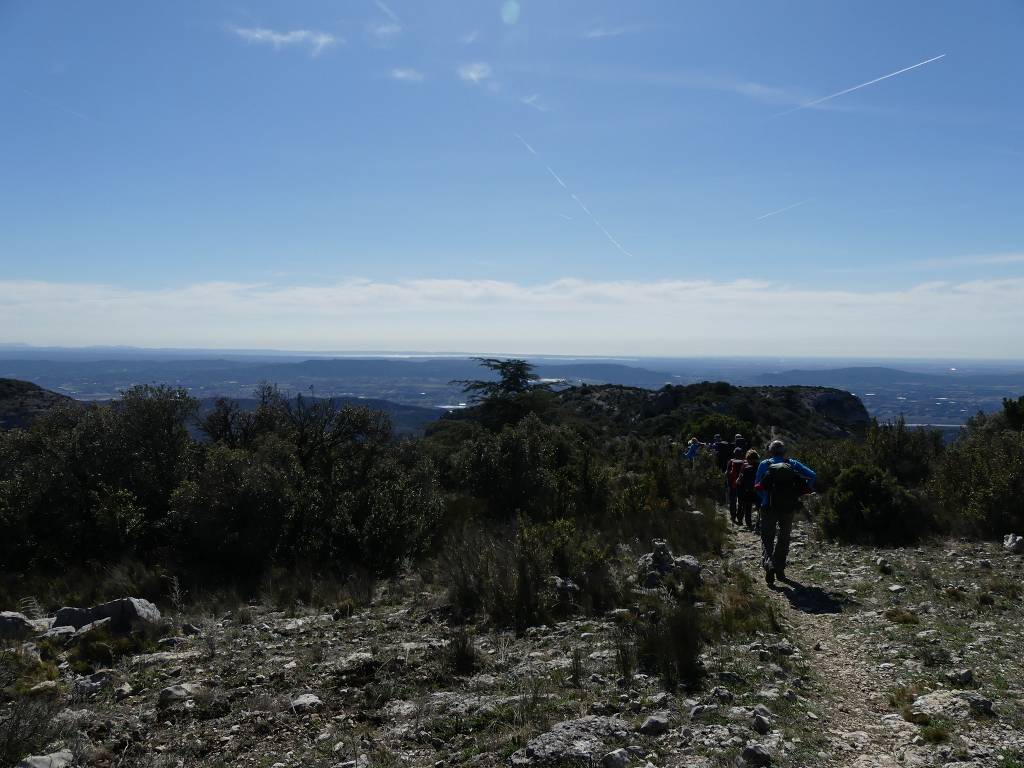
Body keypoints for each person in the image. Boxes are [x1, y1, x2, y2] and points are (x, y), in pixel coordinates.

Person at [754, 440, 816, 585]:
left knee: (767, 537)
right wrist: (797, 493)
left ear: (770, 451)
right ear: (784, 451)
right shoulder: (793, 464)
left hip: (768, 507)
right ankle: (780, 568)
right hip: (788, 508)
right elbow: (812, 475)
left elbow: (757, 486)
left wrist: (765, 498)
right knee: (784, 537)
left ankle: (769, 564)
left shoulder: (765, 464)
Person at [736, 449, 760, 529]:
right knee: (759, 507)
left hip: (747, 490)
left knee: (747, 507)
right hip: (758, 490)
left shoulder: (745, 467)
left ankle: (748, 523)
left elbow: (740, 481)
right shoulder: (761, 466)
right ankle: (758, 523)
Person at [726, 447, 746, 524]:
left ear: (734, 453)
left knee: (732, 501)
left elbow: (727, 473)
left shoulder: (731, 462)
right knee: (741, 502)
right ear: (741, 454)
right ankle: (740, 518)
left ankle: (733, 517)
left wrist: (728, 484)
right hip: (741, 485)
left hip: (732, 484)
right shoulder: (744, 462)